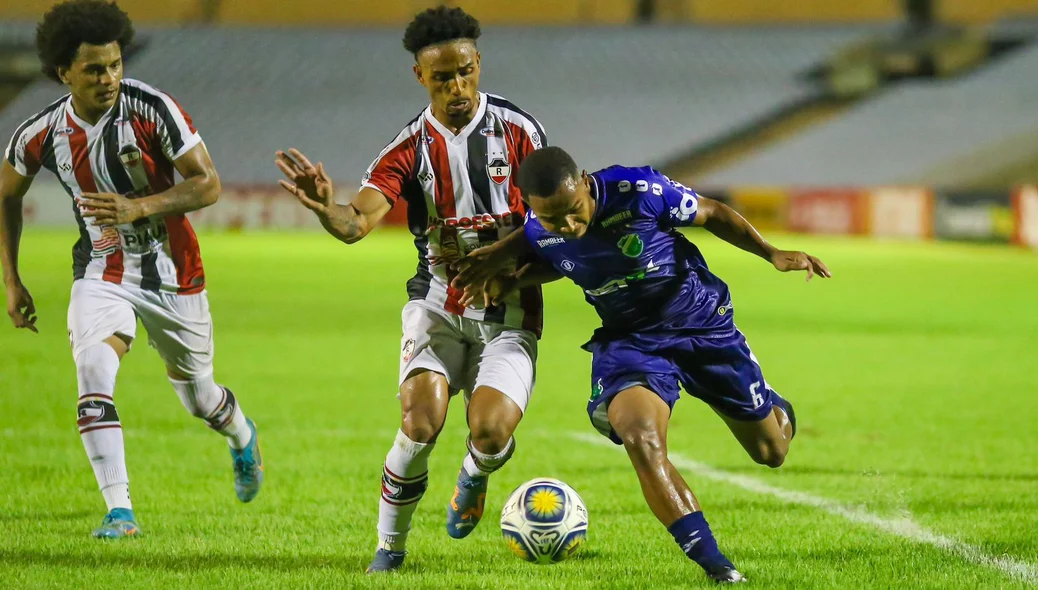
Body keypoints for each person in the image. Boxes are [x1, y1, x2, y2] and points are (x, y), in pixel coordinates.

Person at [452, 146, 831, 583]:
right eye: (553, 220)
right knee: (640, 436)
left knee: (772, 452)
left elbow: (710, 212)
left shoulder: (637, 190)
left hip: (702, 326)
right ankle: (717, 566)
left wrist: (771, 253)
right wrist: (511, 279)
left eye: (575, 211)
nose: (569, 226)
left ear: (585, 182)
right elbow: (566, 258)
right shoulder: (541, 231)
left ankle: (772, 403)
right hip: (631, 344)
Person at [273, 5, 547, 573]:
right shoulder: (407, 149)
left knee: (491, 432)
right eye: (443, 77)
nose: (459, 87)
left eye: (467, 71)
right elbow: (355, 224)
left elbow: (555, 223)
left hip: (510, 310)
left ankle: (474, 475)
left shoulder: (520, 132)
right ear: (420, 77)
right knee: (419, 424)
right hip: (438, 305)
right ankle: (389, 550)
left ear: (479, 64)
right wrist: (328, 207)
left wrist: (509, 265)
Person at [0, 0, 263, 539]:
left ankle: (240, 434)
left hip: (174, 273)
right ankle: (120, 512)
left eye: (115, 64)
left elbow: (208, 183)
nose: (109, 77)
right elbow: (6, 194)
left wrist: (139, 207)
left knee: (200, 397)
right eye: (95, 69)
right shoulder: (40, 132)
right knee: (93, 374)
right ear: (62, 73)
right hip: (102, 269)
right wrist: (11, 277)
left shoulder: (152, 108)